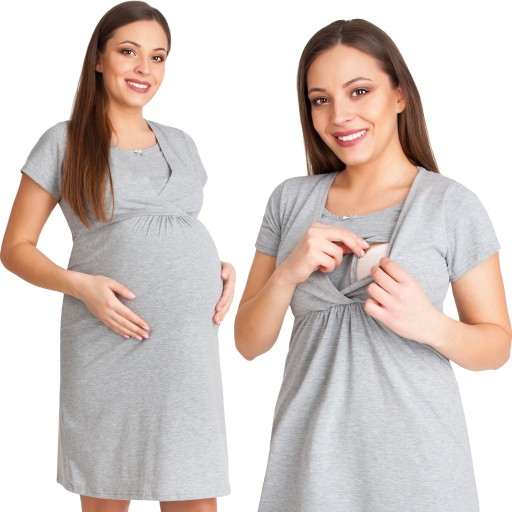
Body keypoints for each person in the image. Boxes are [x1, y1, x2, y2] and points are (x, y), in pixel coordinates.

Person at [234, 18, 511, 512]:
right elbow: (248, 343)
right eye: (320, 99)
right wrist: (288, 273)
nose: (340, 115)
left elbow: (497, 345)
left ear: (399, 95)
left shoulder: (450, 204)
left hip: (419, 472)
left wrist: (430, 325)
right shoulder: (290, 201)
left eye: (359, 91)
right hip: (309, 468)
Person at [0, 2, 234, 511]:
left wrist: (216, 268)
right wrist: (81, 285)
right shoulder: (64, 141)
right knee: (108, 491)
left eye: (158, 56)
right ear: (99, 58)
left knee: (194, 492)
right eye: (129, 52)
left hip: (186, 350)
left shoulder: (182, 143)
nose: (144, 68)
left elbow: (177, 228)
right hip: (107, 340)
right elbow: (14, 248)